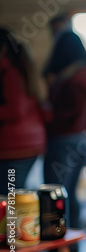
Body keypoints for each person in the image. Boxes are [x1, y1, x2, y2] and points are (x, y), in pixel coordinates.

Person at [44, 31, 86, 228]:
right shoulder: (83, 73)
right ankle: (70, 243)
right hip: (80, 139)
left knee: (56, 194)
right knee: (69, 193)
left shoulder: (75, 75)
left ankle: (60, 242)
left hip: (64, 138)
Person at [0, 28, 46, 194]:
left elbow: (15, 110)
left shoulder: (7, 71)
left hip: (15, 146)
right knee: (14, 198)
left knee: (10, 201)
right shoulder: (22, 67)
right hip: (28, 142)